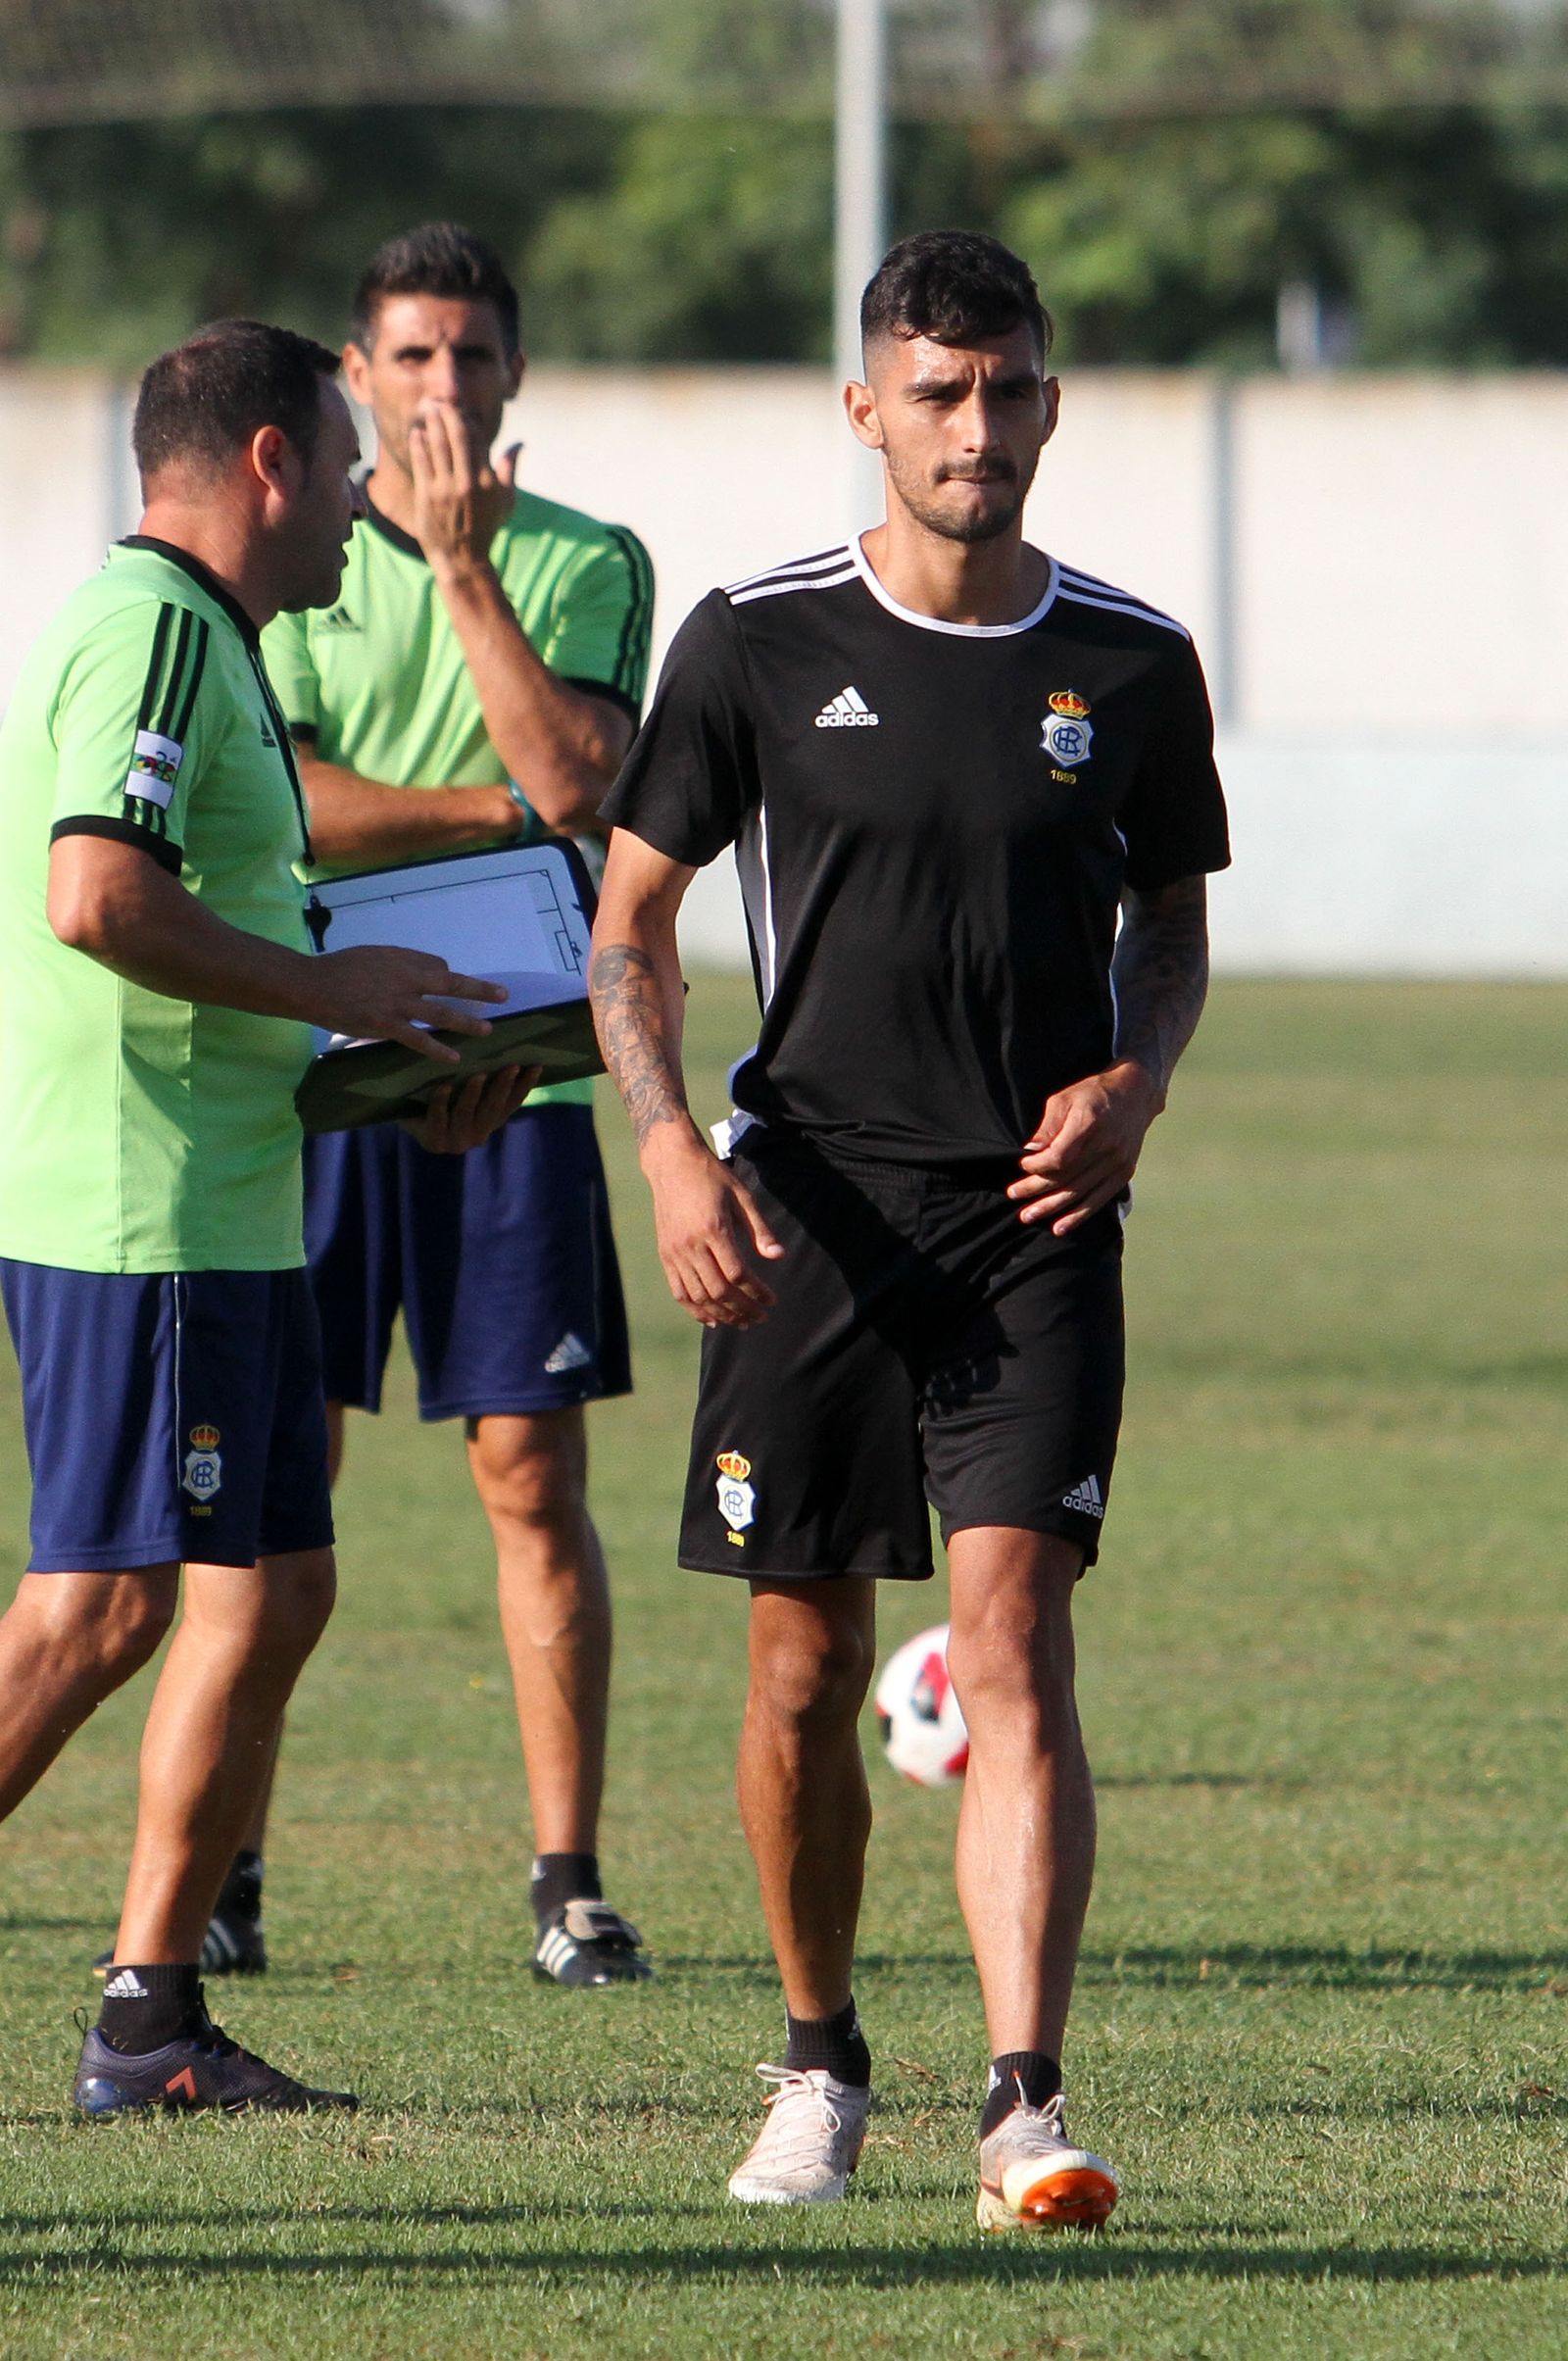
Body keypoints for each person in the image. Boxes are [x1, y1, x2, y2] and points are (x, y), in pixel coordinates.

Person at [589, 229, 1231, 2228]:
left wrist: (1134, 1079)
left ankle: (1022, 2103)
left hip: (1037, 1220)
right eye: (933, 394)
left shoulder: (1126, 662)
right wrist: (673, 1152)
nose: (974, 427)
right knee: (799, 1665)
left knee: (1015, 1638)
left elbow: (1172, 925)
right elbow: (626, 926)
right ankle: (815, 2061)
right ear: (864, 409)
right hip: (804, 1222)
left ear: (1049, 397)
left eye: (1005, 387)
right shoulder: (753, 642)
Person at [0, 319, 526, 2116]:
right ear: (271, 465)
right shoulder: (153, 625)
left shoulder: (208, 639)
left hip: (227, 1194)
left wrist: (395, 1076)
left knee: (274, 1582)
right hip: (138, 1207)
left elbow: (215, 934)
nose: (376, 500)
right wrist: (342, 997)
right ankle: (144, 2014)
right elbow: (96, 896)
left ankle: (148, 2019)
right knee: (96, 1609)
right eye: (350, 461)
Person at [250, 222, 654, 1989]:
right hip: (325, 1066)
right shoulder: (304, 560)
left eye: (473, 356)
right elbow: (294, 815)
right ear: (356, 374)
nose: (441, 387)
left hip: (521, 1070)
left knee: (528, 1472)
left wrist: (465, 573)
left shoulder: (587, 561)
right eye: (409, 357)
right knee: (279, 1477)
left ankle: (566, 1879)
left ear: (513, 375)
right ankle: (223, 1871)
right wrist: (490, 815)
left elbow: (584, 772)